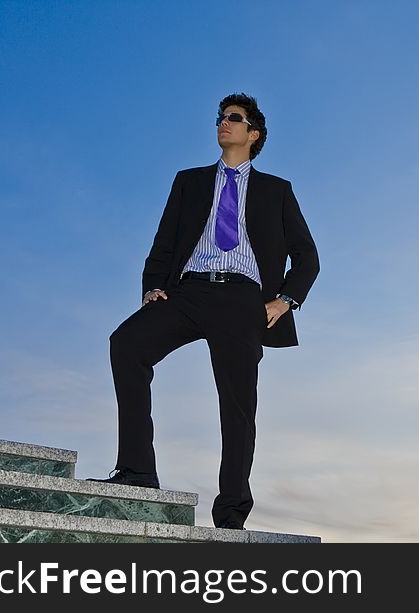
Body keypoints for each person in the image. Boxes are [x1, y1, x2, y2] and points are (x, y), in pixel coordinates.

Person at [88, 92, 319, 530]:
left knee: (237, 407)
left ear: (253, 134)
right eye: (220, 118)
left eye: (233, 119)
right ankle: (138, 471)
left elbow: (307, 257)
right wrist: (154, 287)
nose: (222, 124)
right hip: (188, 292)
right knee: (127, 344)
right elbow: (164, 243)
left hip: (242, 300)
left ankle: (230, 516)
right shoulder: (189, 182)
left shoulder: (276, 191)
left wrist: (285, 301)